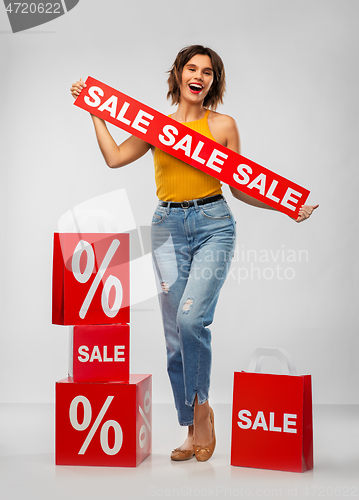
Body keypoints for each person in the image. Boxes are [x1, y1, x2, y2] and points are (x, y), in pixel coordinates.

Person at [70, 45, 318, 462]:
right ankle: (192, 427)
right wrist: (95, 110)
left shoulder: (222, 125)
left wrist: (286, 206)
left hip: (213, 226)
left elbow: (242, 186)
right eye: (192, 68)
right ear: (179, 75)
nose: (199, 75)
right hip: (167, 228)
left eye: (208, 71)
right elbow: (114, 159)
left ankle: (202, 413)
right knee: (174, 338)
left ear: (213, 82)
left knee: (190, 318)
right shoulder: (154, 125)